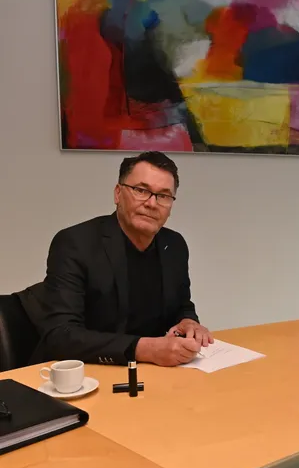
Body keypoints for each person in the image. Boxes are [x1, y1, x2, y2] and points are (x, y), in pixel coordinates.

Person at [18, 151, 213, 367]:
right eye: (141, 190)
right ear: (118, 194)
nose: (151, 203)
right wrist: (144, 349)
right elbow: (61, 336)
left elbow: (182, 306)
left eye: (163, 196)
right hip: (86, 374)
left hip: (156, 375)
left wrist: (189, 322)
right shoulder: (76, 243)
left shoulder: (174, 245)